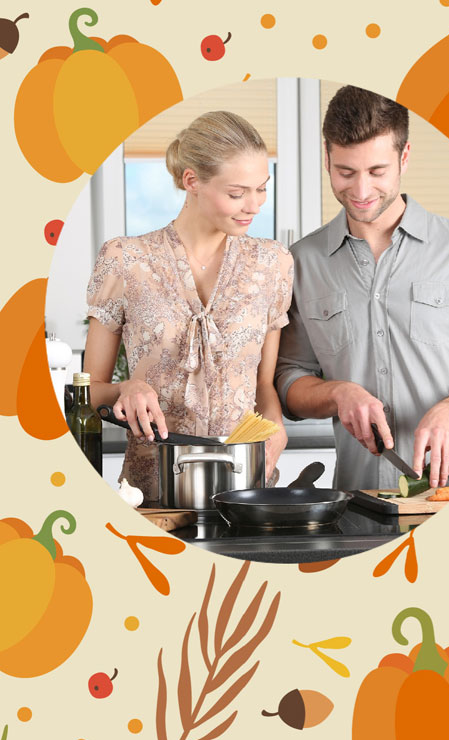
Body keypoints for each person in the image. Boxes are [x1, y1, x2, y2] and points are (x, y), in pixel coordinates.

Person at [275, 85, 449, 493]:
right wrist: (338, 393)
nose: (361, 191)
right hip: (356, 500)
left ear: (404, 158)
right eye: (345, 172)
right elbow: (289, 379)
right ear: (327, 158)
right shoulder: (301, 261)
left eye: (377, 172)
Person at [84, 110, 293, 502]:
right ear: (191, 180)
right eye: (236, 193)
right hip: (151, 492)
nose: (254, 205)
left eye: (261, 189)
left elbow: (263, 384)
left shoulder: (273, 263)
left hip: (245, 489)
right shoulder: (125, 259)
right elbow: (86, 394)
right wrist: (126, 388)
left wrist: (276, 426)